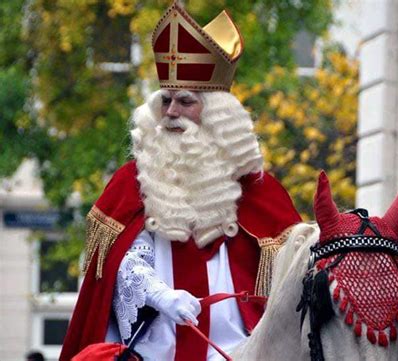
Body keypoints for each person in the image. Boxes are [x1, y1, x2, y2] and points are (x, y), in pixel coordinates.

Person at [60, 2, 301, 361]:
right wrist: (160, 294)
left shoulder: (261, 191)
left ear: (218, 113)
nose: (170, 112)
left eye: (185, 101)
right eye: (167, 100)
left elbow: (292, 290)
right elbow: (120, 265)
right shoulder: (133, 182)